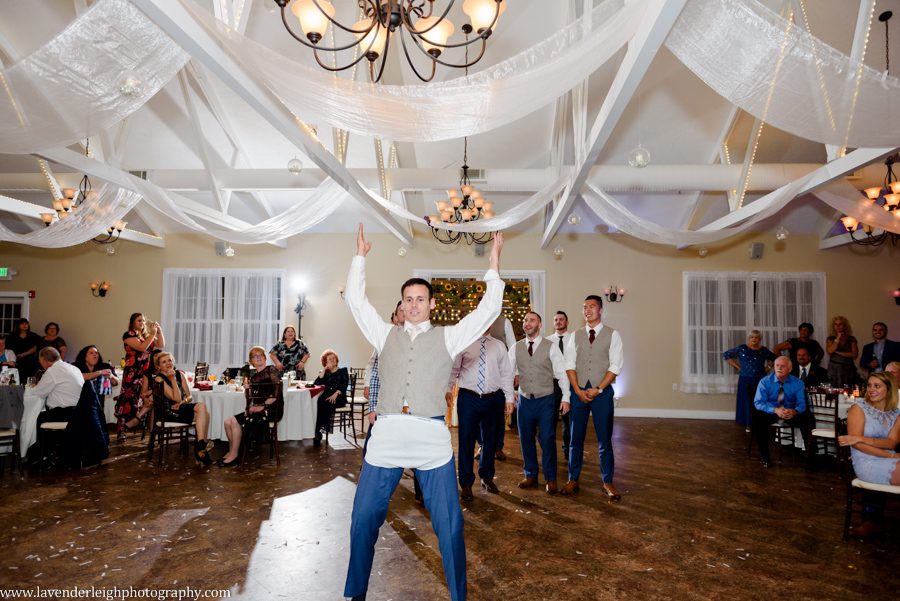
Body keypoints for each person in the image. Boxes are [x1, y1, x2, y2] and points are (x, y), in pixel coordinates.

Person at [343, 224, 504, 601]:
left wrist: (494, 262)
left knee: (449, 526)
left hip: (430, 437)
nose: (413, 304)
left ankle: (458, 595)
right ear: (401, 305)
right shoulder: (384, 335)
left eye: (420, 299)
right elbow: (355, 301)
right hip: (387, 436)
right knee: (363, 519)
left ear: (431, 304)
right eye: (408, 300)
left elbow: (488, 309)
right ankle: (356, 593)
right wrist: (360, 258)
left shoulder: (449, 336)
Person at [561, 295, 624, 501]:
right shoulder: (575, 336)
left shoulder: (613, 335)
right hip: (579, 394)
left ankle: (607, 481)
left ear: (600, 310)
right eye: (584, 307)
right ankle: (573, 479)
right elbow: (569, 364)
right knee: (574, 439)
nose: (587, 310)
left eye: (592, 307)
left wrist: (598, 389)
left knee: (604, 440)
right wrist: (577, 391)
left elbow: (615, 366)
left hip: (602, 394)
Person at [447, 329, 514, 501]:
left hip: (493, 398)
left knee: (490, 441)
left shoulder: (499, 346)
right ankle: (466, 483)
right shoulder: (464, 342)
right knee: (466, 440)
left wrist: (509, 399)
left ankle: (487, 476)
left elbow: (506, 373)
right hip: (469, 397)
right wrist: (447, 389)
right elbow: (454, 369)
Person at [509, 311, 569, 495]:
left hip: (546, 400)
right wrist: (511, 393)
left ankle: (551, 478)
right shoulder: (516, 347)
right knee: (525, 438)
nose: (527, 323)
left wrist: (566, 397)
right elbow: (508, 373)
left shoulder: (551, 347)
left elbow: (561, 373)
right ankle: (531, 475)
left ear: (539, 325)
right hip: (525, 401)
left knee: (547, 439)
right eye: (525, 320)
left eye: (532, 320)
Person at [838, 372, 900, 537]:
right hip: (867, 462)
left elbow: (891, 443)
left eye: (877, 386)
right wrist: (890, 456)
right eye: (870, 385)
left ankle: (874, 520)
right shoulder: (858, 409)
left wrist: (860, 438)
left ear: (889, 389)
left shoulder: (896, 414)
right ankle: (871, 521)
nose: (871, 389)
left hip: (889, 457)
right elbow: (858, 446)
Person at [219, 346, 284, 467]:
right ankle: (232, 451)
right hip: (259, 409)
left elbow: (276, 394)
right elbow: (250, 399)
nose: (258, 357)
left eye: (260, 355)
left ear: (265, 358)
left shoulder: (272, 370)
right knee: (227, 422)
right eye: (255, 356)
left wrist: (262, 406)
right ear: (251, 361)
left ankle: (234, 455)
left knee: (233, 421)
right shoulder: (253, 377)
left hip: (271, 410)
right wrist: (247, 389)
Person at [151, 352, 212, 464]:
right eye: (164, 362)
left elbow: (189, 396)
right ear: (158, 366)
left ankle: (200, 446)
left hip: (180, 407)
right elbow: (176, 398)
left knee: (204, 412)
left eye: (169, 360)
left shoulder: (180, 374)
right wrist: (173, 379)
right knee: (203, 410)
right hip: (168, 412)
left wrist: (184, 401)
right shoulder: (159, 379)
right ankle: (201, 448)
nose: (168, 363)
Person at [751, 356, 812, 468]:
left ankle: (810, 456)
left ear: (789, 369)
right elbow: (758, 402)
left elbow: (803, 403)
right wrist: (775, 410)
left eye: (782, 366)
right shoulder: (765, 382)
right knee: (758, 417)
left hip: (790, 413)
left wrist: (795, 411)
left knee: (808, 418)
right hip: (772, 413)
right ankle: (765, 456)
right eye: (777, 365)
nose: (779, 368)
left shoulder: (798, 383)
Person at [27, 347, 84, 460]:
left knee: (34, 417)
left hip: (64, 413)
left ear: (45, 360)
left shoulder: (53, 371)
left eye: (40, 361)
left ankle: (39, 454)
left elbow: (39, 392)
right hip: (79, 412)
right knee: (43, 415)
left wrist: (33, 387)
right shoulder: (73, 368)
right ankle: (52, 449)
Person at [116, 313, 165, 437]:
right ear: (132, 322)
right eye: (139, 321)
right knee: (129, 398)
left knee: (146, 397)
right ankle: (122, 428)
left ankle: (134, 421)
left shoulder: (145, 336)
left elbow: (161, 345)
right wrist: (152, 334)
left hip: (145, 372)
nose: (142, 323)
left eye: (143, 321)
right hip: (133, 372)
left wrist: (158, 331)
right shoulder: (128, 335)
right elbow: (142, 348)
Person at [723, 330, 776, 427]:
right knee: (746, 400)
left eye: (756, 337)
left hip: (760, 380)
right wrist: (738, 367)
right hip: (745, 379)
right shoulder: (742, 348)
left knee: (760, 400)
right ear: (749, 338)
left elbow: (775, 358)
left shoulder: (763, 350)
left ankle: (760, 422)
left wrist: (768, 368)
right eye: (752, 337)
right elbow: (727, 355)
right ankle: (748, 423)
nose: (754, 339)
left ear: (759, 339)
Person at [549, 310, 573, 460]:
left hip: (570, 383)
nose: (558, 322)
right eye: (556, 320)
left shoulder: (573, 339)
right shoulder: (547, 341)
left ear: (567, 322)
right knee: (550, 420)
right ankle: (550, 450)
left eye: (561, 319)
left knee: (568, 420)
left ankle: (567, 451)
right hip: (552, 384)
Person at [312, 349, 350, 447]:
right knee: (319, 402)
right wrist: (324, 370)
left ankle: (317, 431)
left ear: (337, 360)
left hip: (339, 397)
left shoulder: (343, 371)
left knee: (326, 403)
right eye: (329, 359)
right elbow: (316, 384)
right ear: (325, 362)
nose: (333, 360)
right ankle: (317, 431)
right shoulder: (326, 373)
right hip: (327, 397)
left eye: (334, 358)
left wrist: (336, 394)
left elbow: (344, 385)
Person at [825, 315, 859, 387]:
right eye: (836, 324)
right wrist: (838, 338)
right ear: (833, 326)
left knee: (848, 390)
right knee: (834, 390)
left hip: (848, 369)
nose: (838, 326)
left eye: (840, 324)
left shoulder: (851, 339)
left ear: (845, 326)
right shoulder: (831, 338)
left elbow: (854, 354)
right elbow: (830, 351)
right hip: (834, 369)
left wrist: (837, 352)